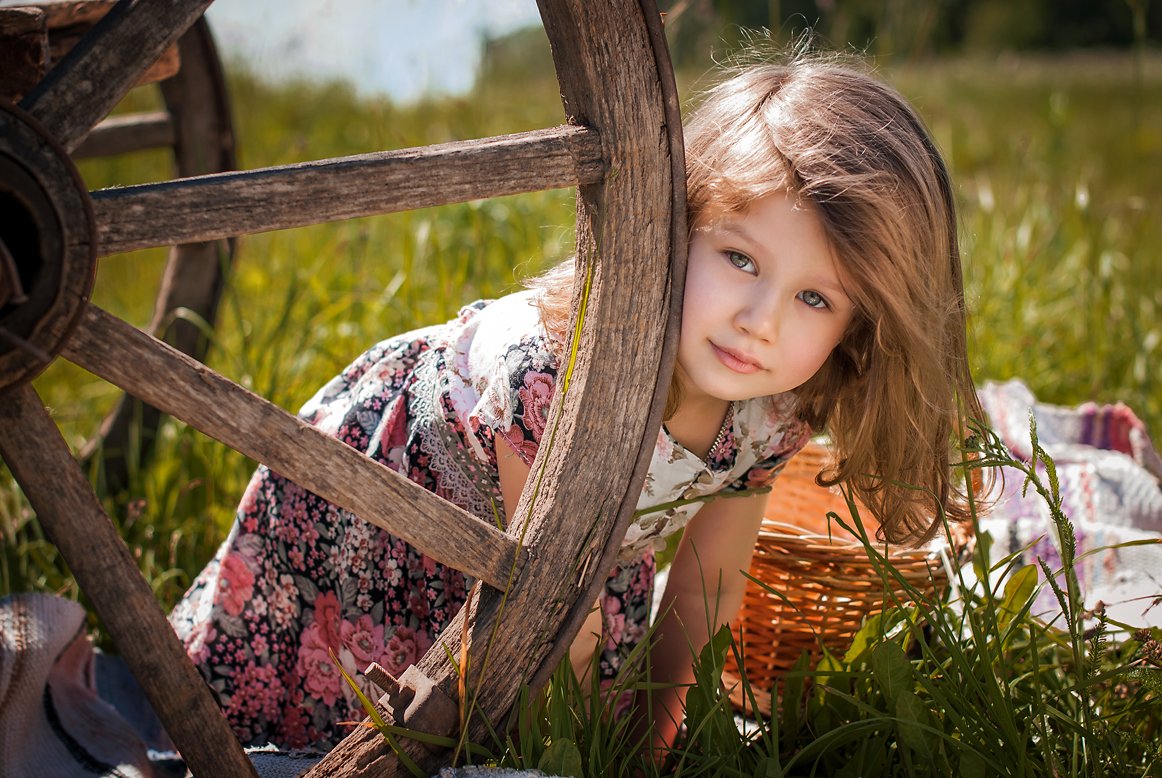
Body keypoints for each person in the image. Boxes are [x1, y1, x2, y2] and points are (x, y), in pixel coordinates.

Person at [170, 55, 986, 753]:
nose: (759, 321)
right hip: (400, 504)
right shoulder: (554, 378)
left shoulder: (771, 415)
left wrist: (663, 734)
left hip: (577, 568)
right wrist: (595, 751)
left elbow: (706, 591)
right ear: (681, 221)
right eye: (740, 258)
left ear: (857, 327)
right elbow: (552, 604)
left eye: (815, 299)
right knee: (362, 701)